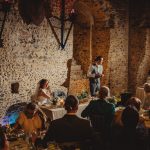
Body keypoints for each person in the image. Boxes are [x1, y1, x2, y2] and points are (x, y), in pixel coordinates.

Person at [35, 95, 101, 149]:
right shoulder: (85, 123)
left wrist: (37, 139)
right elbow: (96, 141)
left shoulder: (55, 123)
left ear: (65, 107)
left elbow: (44, 143)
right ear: (77, 107)